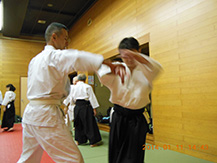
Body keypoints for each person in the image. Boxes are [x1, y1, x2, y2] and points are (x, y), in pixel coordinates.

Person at [18, 22, 124, 163]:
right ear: (54, 37)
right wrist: (103, 62)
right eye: (65, 38)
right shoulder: (54, 56)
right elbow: (76, 57)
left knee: (28, 158)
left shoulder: (35, 60)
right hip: (46, 115)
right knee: (73, 159)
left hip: (31, 114)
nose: (67, 42)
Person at [97, 37, 162, 163]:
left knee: (134, 157)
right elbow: (102, 74)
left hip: (137, 119)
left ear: (139, 50)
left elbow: (158, 68)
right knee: (116, 153)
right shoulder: (117, 67)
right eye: (124, 56)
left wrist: (137, 57)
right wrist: (111, 67)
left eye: (132, 54)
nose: (128, 59)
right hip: (118, 117)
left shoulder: (147, 69)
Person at [71, 74, 102, 147]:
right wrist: (94, 108)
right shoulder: (87, 87)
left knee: (78, 124)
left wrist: (74, 105)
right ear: (85, 80)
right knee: (89, 124)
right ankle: (92, 142)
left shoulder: (74, 88)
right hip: (86, 106)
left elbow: (71, 98)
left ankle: (79, 141)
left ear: (78, 79)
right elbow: (92, 98)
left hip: (77, 106)